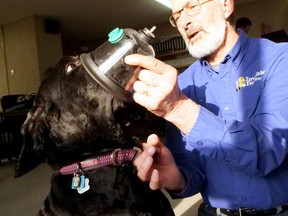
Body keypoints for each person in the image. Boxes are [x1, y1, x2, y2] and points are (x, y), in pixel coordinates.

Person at [124, 0, 288, 215]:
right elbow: (192, 172)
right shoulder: (184, 84)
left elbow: (268, 150)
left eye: (192, 7)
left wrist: (179, 110)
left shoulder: (279, 59)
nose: (184, 21)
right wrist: (177, 178)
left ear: (226, 6)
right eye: (177, 16)